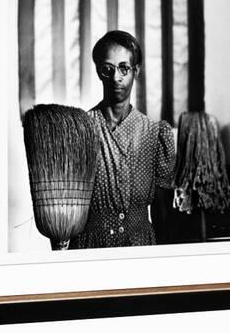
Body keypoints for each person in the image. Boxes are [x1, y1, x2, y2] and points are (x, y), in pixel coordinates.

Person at [70, 30, 176, 249]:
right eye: (108, 69)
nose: (116, 77)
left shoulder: (155, 133)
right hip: (91, 247)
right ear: (99, 72)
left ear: (135, 71)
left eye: (124, 68)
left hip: (140, 247)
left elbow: (162, 211)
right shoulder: (81, 129)